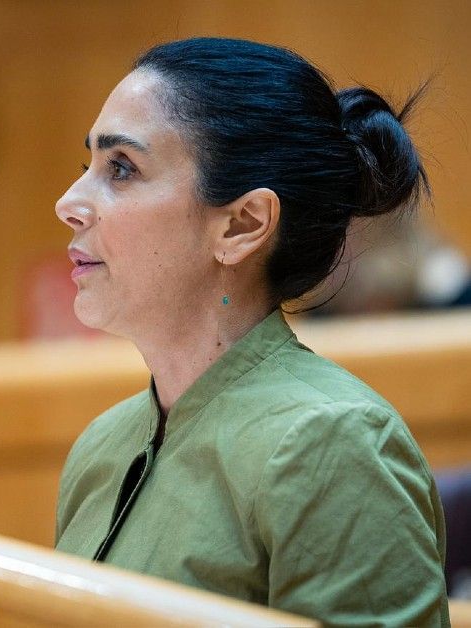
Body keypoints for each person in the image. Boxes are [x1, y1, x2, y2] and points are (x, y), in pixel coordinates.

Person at [53, 37, 449, 626]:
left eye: (122, 168)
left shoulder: (334, 444)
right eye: (86, 166)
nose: (68, 203)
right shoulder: (100, 446)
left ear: (243, 224)